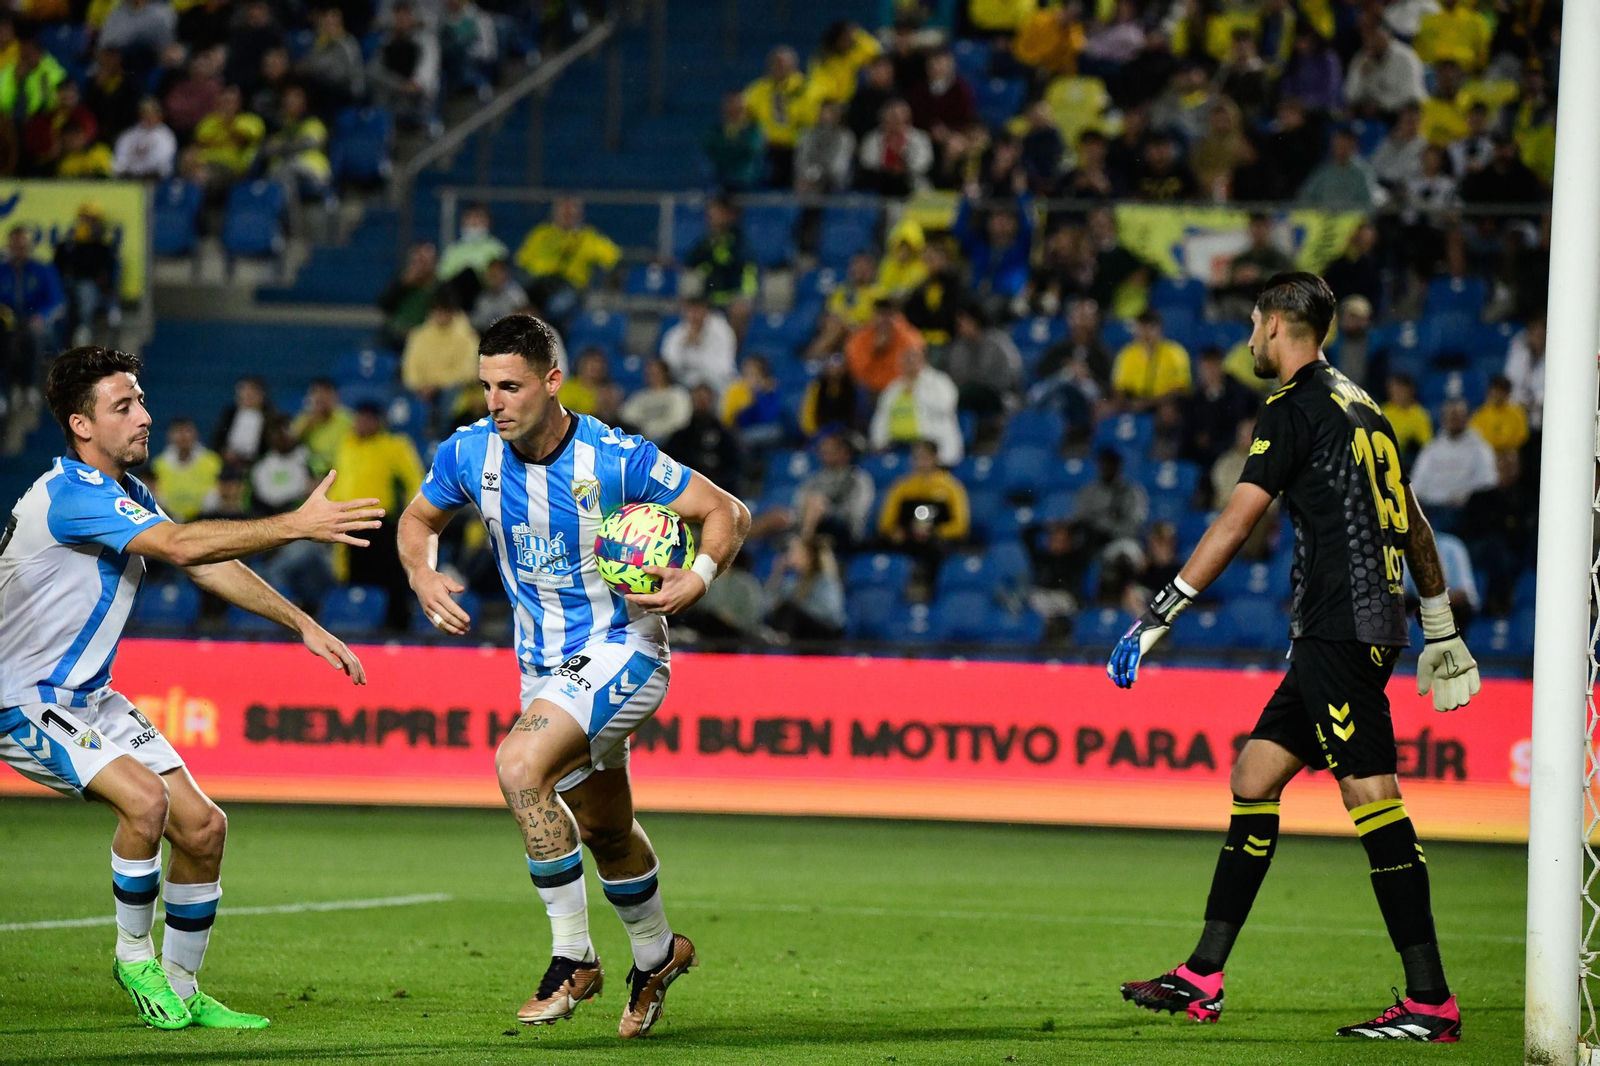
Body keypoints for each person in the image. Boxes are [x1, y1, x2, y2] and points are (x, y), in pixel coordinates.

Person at [1109, 273, 1478, 1043]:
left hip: (1339, 629)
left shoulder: (1294, 407)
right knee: (1254, 775)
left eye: (1252, 322)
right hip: (1356, 625)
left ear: (1277, 325)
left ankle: (1431, 1001)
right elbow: (1410, 519)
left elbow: (1238, 519)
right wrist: (1438, 619)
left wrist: (1158, 616)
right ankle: (1203, 975)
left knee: (1372, 796)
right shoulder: (1363, 406)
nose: (1248, 337)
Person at [1, 345, 378, 1031]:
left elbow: (207, 566)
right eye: (125, 406)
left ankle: (180, 984)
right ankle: (133, 955)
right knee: (145, 805)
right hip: (24, 698)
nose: (145, 415)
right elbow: (180, 549)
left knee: (203, 827)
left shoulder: (126, 496)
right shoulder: (70, 495)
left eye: (141, 399)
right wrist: (295, 523)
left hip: (88, 695)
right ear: (81, 426)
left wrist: (301, 624)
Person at [397, 314, 749, 1033]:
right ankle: (657, 955)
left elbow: (727, 512)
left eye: (511, 387)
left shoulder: (616, 459)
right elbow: (416, 521)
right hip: (544, 671)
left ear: (553, 382)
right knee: (607, 830)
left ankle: (574, 958)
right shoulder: (469, 453)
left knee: (519, 764)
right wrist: (421, 574)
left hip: (626, 648)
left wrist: (698, 578)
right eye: (486, 386)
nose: (495, 402)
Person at [330, 399, 423, 630]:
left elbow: (414, 480)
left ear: (378, 421)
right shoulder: (347, 446)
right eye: (359, 417)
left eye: (367, 418)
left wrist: (413, 517)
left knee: (391, 582)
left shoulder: (393, 446)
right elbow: (338, 484)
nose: (361, 422)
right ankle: (360, 630)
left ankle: (399, 629)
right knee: (355, 582)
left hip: (380, 525)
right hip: (348, 525)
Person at [875, 438, 968, 592]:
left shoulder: (951, 487)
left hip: (936, 539)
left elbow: (960, 525)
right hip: (908, 537)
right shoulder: (902, 487)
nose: (920, 461)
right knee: (875, 545)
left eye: (925, 456)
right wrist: (894, 532)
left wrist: (934, 533)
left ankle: (933, 592)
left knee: (937, 550)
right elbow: (886, 521)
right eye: (916, 456)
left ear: (934, 458)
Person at [514, 197, 621, 322]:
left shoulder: (587, 237)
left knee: (556, 308)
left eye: (571, 213)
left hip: (569, 286)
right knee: (515, 302)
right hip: (538, 284)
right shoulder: (540, 234)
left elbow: (613, 257)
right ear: (555, 213)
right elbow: (521, 261)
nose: (567, 216)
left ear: (579, 215)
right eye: (564, 212)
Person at [1408, 398, 1497, 533]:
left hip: (1466, 512)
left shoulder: (1481, 448)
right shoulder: (1432, 449)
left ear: (1467, 417)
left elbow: (1487, 481)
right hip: (1433, 511)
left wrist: (1464, 496)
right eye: (1450, 415)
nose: (1453, 419)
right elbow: (1417, 485)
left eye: (1458, 415)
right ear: (1443, 418)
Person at [869, 344, 962, 466]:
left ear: (923, 360)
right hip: (897, 446)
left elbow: (946, 407)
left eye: (913, 359)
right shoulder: (894, 387)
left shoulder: (939, 381)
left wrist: (917, 392)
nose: (910, 363)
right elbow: (881, 416)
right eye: (906, 360)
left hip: (930, 445)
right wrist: (878, 442)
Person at [402, 289, 479, 426]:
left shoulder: (467, 337)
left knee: (450, 397)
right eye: (437, 310)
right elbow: (410, 368)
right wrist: (419, 386)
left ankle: (441, 437)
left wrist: (436, 385)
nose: (441, 314)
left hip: (453, 390)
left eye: (445, 310)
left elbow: (468, 372)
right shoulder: (418, 335)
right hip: (421, 390)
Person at [792, 429, 874, 548]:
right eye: (824, 450)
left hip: (845, 530)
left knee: (817, 503)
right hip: (816, 526)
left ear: (845, 452)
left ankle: (803, 542)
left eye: (832, 449)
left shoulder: (859, 478)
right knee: (778, 517)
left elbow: (858, 513)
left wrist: (829, 511)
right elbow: (799, 503)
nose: (826, 453)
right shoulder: (815, 479)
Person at [54, 203, 121, 348]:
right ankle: (56, 345)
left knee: (86, 292)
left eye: (91, 220)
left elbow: (105, 273)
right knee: (59, 301)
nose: (86, 224)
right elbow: (57, 266)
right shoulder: (67, 245)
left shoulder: (102, 248)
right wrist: (73, 245)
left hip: (89, 286)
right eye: (84, 219)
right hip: (66, 285)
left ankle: (83, 330)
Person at [665, 383, 742, 497]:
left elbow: (735, 464)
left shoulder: (725, 435)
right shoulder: (680, 436)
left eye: (705, 399)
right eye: (698, 399)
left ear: (712, 401)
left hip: (719, 491)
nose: (701, 402)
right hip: (688, 492)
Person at [764, 534, 846, 641]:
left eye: (797, 553)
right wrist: (777, 573)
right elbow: (768, 605)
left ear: (809, 556)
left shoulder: (825, 581)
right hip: (803, 633)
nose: (791, 557)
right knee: (785, 608)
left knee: (789, 609)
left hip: (827, 633)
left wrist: (800, 606)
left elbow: (830, 613)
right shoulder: (794, 582)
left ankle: (782, 641)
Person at [1112, 309, 1191, 408]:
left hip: (1164, 403)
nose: (1145, 333)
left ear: (1160, 329)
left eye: (1150, 328)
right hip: (1135, 402)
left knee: (1169, 411)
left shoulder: (1175, 352)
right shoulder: (1126, 354)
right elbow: (1120, 388)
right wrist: (1128, 404)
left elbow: (1180, 389)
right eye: (1141, 328)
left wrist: (1149, 403)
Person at [149, 416, 223, 522]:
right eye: (178, 432)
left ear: (196, 434)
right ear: (169, 436)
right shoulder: (158, 464)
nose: (183, 436)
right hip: (168, 520)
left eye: (187, 431)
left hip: (205, 519)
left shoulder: (212, 462)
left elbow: (217, 494)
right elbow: (156, 496)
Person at [659, 295, 737, 394]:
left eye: (698, 311)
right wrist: (683, 346)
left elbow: (723, 367)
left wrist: (697, 350)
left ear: (706, 312)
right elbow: (668, 366)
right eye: (690, 311)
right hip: (685, 384)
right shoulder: (676, 335)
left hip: (717, 382)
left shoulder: (722, 331)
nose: (694, 316)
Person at [846, 298, 925, 396]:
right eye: (880, 314)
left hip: (897, 389)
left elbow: (916, 363)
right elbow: (856, 371)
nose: (884, 319)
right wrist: (874, 351)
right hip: (869, 389)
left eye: (888, 314)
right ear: (874, 315)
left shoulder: (908, 337)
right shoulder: (861, 338)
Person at [377, 241, 437, 349]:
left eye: (425, 262)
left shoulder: (439, 287)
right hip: (397, 339)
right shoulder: (400, 283)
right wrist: (402, 285)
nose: (421, 267)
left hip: (428, 341)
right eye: (417, 262)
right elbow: (384, 306)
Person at [289, 377, 352, 477]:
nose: (321, 398)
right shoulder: (304, 419)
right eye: (317, 393)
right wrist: (307, 425)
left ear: (335, 396)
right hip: (312, 473)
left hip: (342, 471)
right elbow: (289, 443)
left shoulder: (347, 419)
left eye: (326, 393)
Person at [703, 90, 765, 191]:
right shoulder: (714, 133)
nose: (734, 109)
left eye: (737, 106)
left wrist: (725, 148)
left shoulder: (754, 132)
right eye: (730, 105)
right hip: (720, 183)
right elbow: (710, 149)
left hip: (746, 184)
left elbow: (749, 151)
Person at [211, 374, 277, 467]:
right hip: (228, 464)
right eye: (243, 392)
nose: (246, 396)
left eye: (251, 393)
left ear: (261, 395)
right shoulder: (229, 415)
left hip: (260, 465)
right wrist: (224, 452)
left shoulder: (270, 417)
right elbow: (217, 439)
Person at [620, 359, 692, 443]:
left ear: (665, 373)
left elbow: (681, 421)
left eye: (657, 372)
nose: (654, 376)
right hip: (644, 439)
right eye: (650, 373)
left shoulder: (678, 394)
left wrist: (659, 430)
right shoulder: (640, 397)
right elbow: (627, 417)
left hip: (671, 440)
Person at [112, 96, 177, 179]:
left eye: (152, 112)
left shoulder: (166, 136)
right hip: (129, 179)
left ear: (159, 114)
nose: (148, 116)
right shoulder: (129, 135)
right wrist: (124, 170)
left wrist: (142, 172)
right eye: (145, 113)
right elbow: (120, 158)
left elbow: (162, 162)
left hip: (155, 180)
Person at [1381, 372, 1432, 465]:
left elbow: (1428, 446)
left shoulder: (1419, 415)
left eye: (1399, 391)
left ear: (1410, 391)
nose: (1395, 395)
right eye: (1393, 391)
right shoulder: (1384, 410)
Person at [471, 257, 532, 332]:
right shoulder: (483, 298)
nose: (493, 278)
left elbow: (525, 320)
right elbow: (477, 323)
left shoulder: (516, 294)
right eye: (491, 274)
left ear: (505, 274)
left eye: (496, 274)